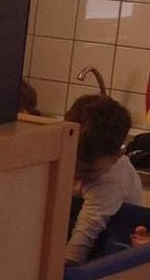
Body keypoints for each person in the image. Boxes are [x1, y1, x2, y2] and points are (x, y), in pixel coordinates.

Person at [64, 94, 143, 265]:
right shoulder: (96, 161)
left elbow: (86, 232)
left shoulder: (112, 179)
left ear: (117, 156)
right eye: (70, 163)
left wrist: (66, 266)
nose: (76, 174)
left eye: (87, 170)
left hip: (114, 248)